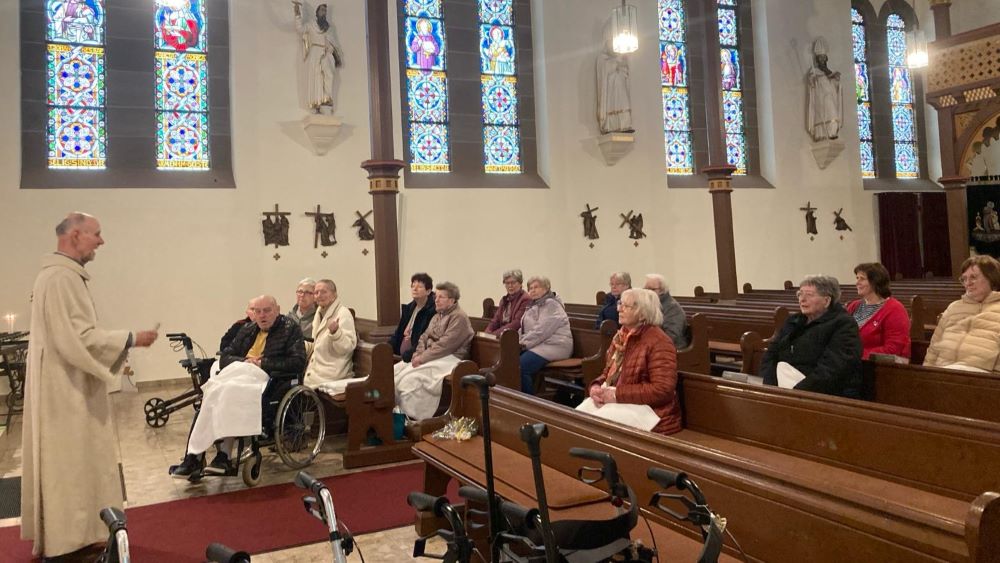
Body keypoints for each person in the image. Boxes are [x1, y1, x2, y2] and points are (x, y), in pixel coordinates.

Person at [21, 212, 159, 559]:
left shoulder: (56, 276)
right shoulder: (62, 279)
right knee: (72, 463)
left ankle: (79, 532)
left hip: (63, 383)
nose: (101, 241)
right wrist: (132, 338)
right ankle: (68, 539)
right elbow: (79, 338)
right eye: (97, 234)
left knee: (74, 463)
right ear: (76, 235)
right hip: (67, 390)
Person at [170, 295, 305, 477]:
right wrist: (245, 361)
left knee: (227, 392)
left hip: (267, 377)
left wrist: (263, 363)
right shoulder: (247, 328)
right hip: (240, 371)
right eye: (258, 311)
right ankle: (194, 456)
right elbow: (226, 356)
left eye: (267, 310)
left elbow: (297, 362)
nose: (262, 315)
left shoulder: (290, 329)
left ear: (278, 310)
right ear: (253, 313)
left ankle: (223, 455)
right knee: (211, 393)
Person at [585, 289, 681, 435]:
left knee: (595, 427)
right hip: (623, 401)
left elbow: (663, 390)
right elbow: (608, 373)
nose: (619, 309)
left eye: (626, 306)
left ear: (642, 313)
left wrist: (617, 394)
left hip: (653, 412)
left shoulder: (659, 342)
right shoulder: (620, 337)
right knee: (578, 418)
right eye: (620, 304)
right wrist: (596, 386)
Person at [760, 275, 862, 398]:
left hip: (822, 394)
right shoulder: (794, 321)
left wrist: (797, 393)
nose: (802, 299)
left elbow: (832, 369)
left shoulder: (843, 324)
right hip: (784, 390)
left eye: (809, 294)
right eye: (800, 294)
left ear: (827, 300)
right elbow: (771, 354)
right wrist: (771, 386)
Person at [394, 282, 474, 420]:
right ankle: (396, 415)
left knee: (410, 380)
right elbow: (424, 337)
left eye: (441, 297)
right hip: (432, 355)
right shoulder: (438, 315)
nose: (436, 300)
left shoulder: (458, 317)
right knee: (396, 371)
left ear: (452, 300)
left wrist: (422, 358)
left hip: (451, 358)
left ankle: (412, 419)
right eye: (436, 296)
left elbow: (445, 345)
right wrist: (418, 353)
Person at [923, 256, 1000, 372]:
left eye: (973, 277)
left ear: (991, 278)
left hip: (982, 379)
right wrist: (926, 375)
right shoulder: (953, 308)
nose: (968, 283)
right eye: (964, 279)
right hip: (942, 373)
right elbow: (934, 348)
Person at [517, 276, 573, 393]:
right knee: (512, 360)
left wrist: (522, 344)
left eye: (536, 287)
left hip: (556, 345)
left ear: (546, 288)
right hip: (541, 344)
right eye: (530, 288)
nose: (532, 290)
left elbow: (541, 331)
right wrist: (514, 340)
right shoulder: (534, 305)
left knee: (521, 365)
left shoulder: (551, 304)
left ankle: (528, 402)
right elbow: (524, 329)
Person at [845, 263, 911, 361]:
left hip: (881, 367)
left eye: (862, 279)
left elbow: (893, 349)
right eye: (857, 278)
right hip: (851, 362)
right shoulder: (854, 306)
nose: (857, 282)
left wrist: (855, 355)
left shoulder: (895, 309)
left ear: (875, 281)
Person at [304, 279, 357, 388]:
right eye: (316, 293)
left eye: (324, 292)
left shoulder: (343, 314)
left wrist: (336, 333)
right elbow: (317, 343)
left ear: (334, 294)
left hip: (332, 374)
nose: (319, 295)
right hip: (317, 371)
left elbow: (347, 348)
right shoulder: (319, 313)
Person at [293, 1, 343, 114]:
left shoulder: (328, 28)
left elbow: (332, 42)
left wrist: (331, 51)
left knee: (328, 75)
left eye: (325, 11)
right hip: (315, 53)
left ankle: (327, 99)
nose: (323, 12)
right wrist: (297, 15)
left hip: (326, 53)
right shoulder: (311, 25)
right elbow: (300, 29)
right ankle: (316, 102)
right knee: (316, 77)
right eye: (321, 10)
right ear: (317, 13)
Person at [389, 273, 436, 362]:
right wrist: (386, 348)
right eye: (413, 286)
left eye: (419, 287)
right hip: (399, 357)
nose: (414, 289)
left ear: (428, 291)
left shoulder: (431, 311)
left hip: (415, 356)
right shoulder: (408, 308)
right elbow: (398, 333)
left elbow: (425, 339)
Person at [807, 38, 842, 141]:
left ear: (826, 59)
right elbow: (811, 83)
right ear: (817, 60)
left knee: (833, 113)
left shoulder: (829, 71)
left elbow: (835, 85)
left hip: (830, 96)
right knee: (822, 114)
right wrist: (813, 78)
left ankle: (832, 132)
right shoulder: (814, 71)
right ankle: (821, 134)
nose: (822, 60)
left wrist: (836, 79)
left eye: (823, 58)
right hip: (820, 98)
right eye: (820, 58)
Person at [596, 39, 633, 134]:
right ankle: (611, 126)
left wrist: (622, 63)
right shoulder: (602, 59)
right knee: (612, 105)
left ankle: (625, 125)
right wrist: (615, 62)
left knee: (624, 102)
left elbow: (626, 71)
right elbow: (605, 71)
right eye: (610, 44)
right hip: (611, 90)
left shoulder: (621, 57)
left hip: (621, 87)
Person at [643, 273, 689, 349]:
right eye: (646, 289)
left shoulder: (673, 308)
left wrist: (649, 344)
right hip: (653, 345)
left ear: (662, 290)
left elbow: (671, 335)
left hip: (672, 348)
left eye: (652, 289)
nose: (648, 292)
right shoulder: (648, 305)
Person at [486, 269, 531, 335]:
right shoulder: (504, 299)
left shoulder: (525, 299)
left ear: (520, 283)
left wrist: (494, 335)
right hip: (501, 334)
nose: (510, 286)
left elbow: (517, 323)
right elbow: (496, 320)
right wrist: (487, 333)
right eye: (507, 283)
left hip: (514, 336)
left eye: (513, 282)